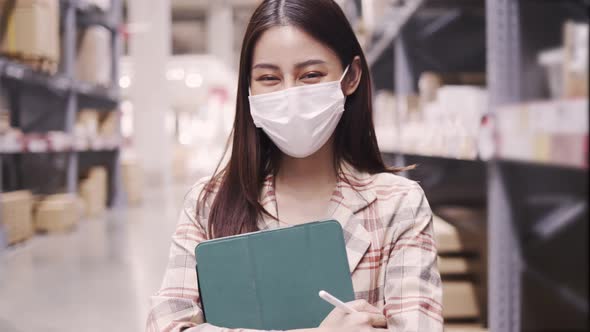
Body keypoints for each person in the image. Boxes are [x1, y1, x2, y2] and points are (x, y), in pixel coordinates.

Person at [147, 0, 442, 331]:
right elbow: (168, 325)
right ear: (249, 87)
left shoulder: (398, 205)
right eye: (270, 78)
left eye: (311, 75)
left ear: (351, 77)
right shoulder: (208, 203)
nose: (290, 95)